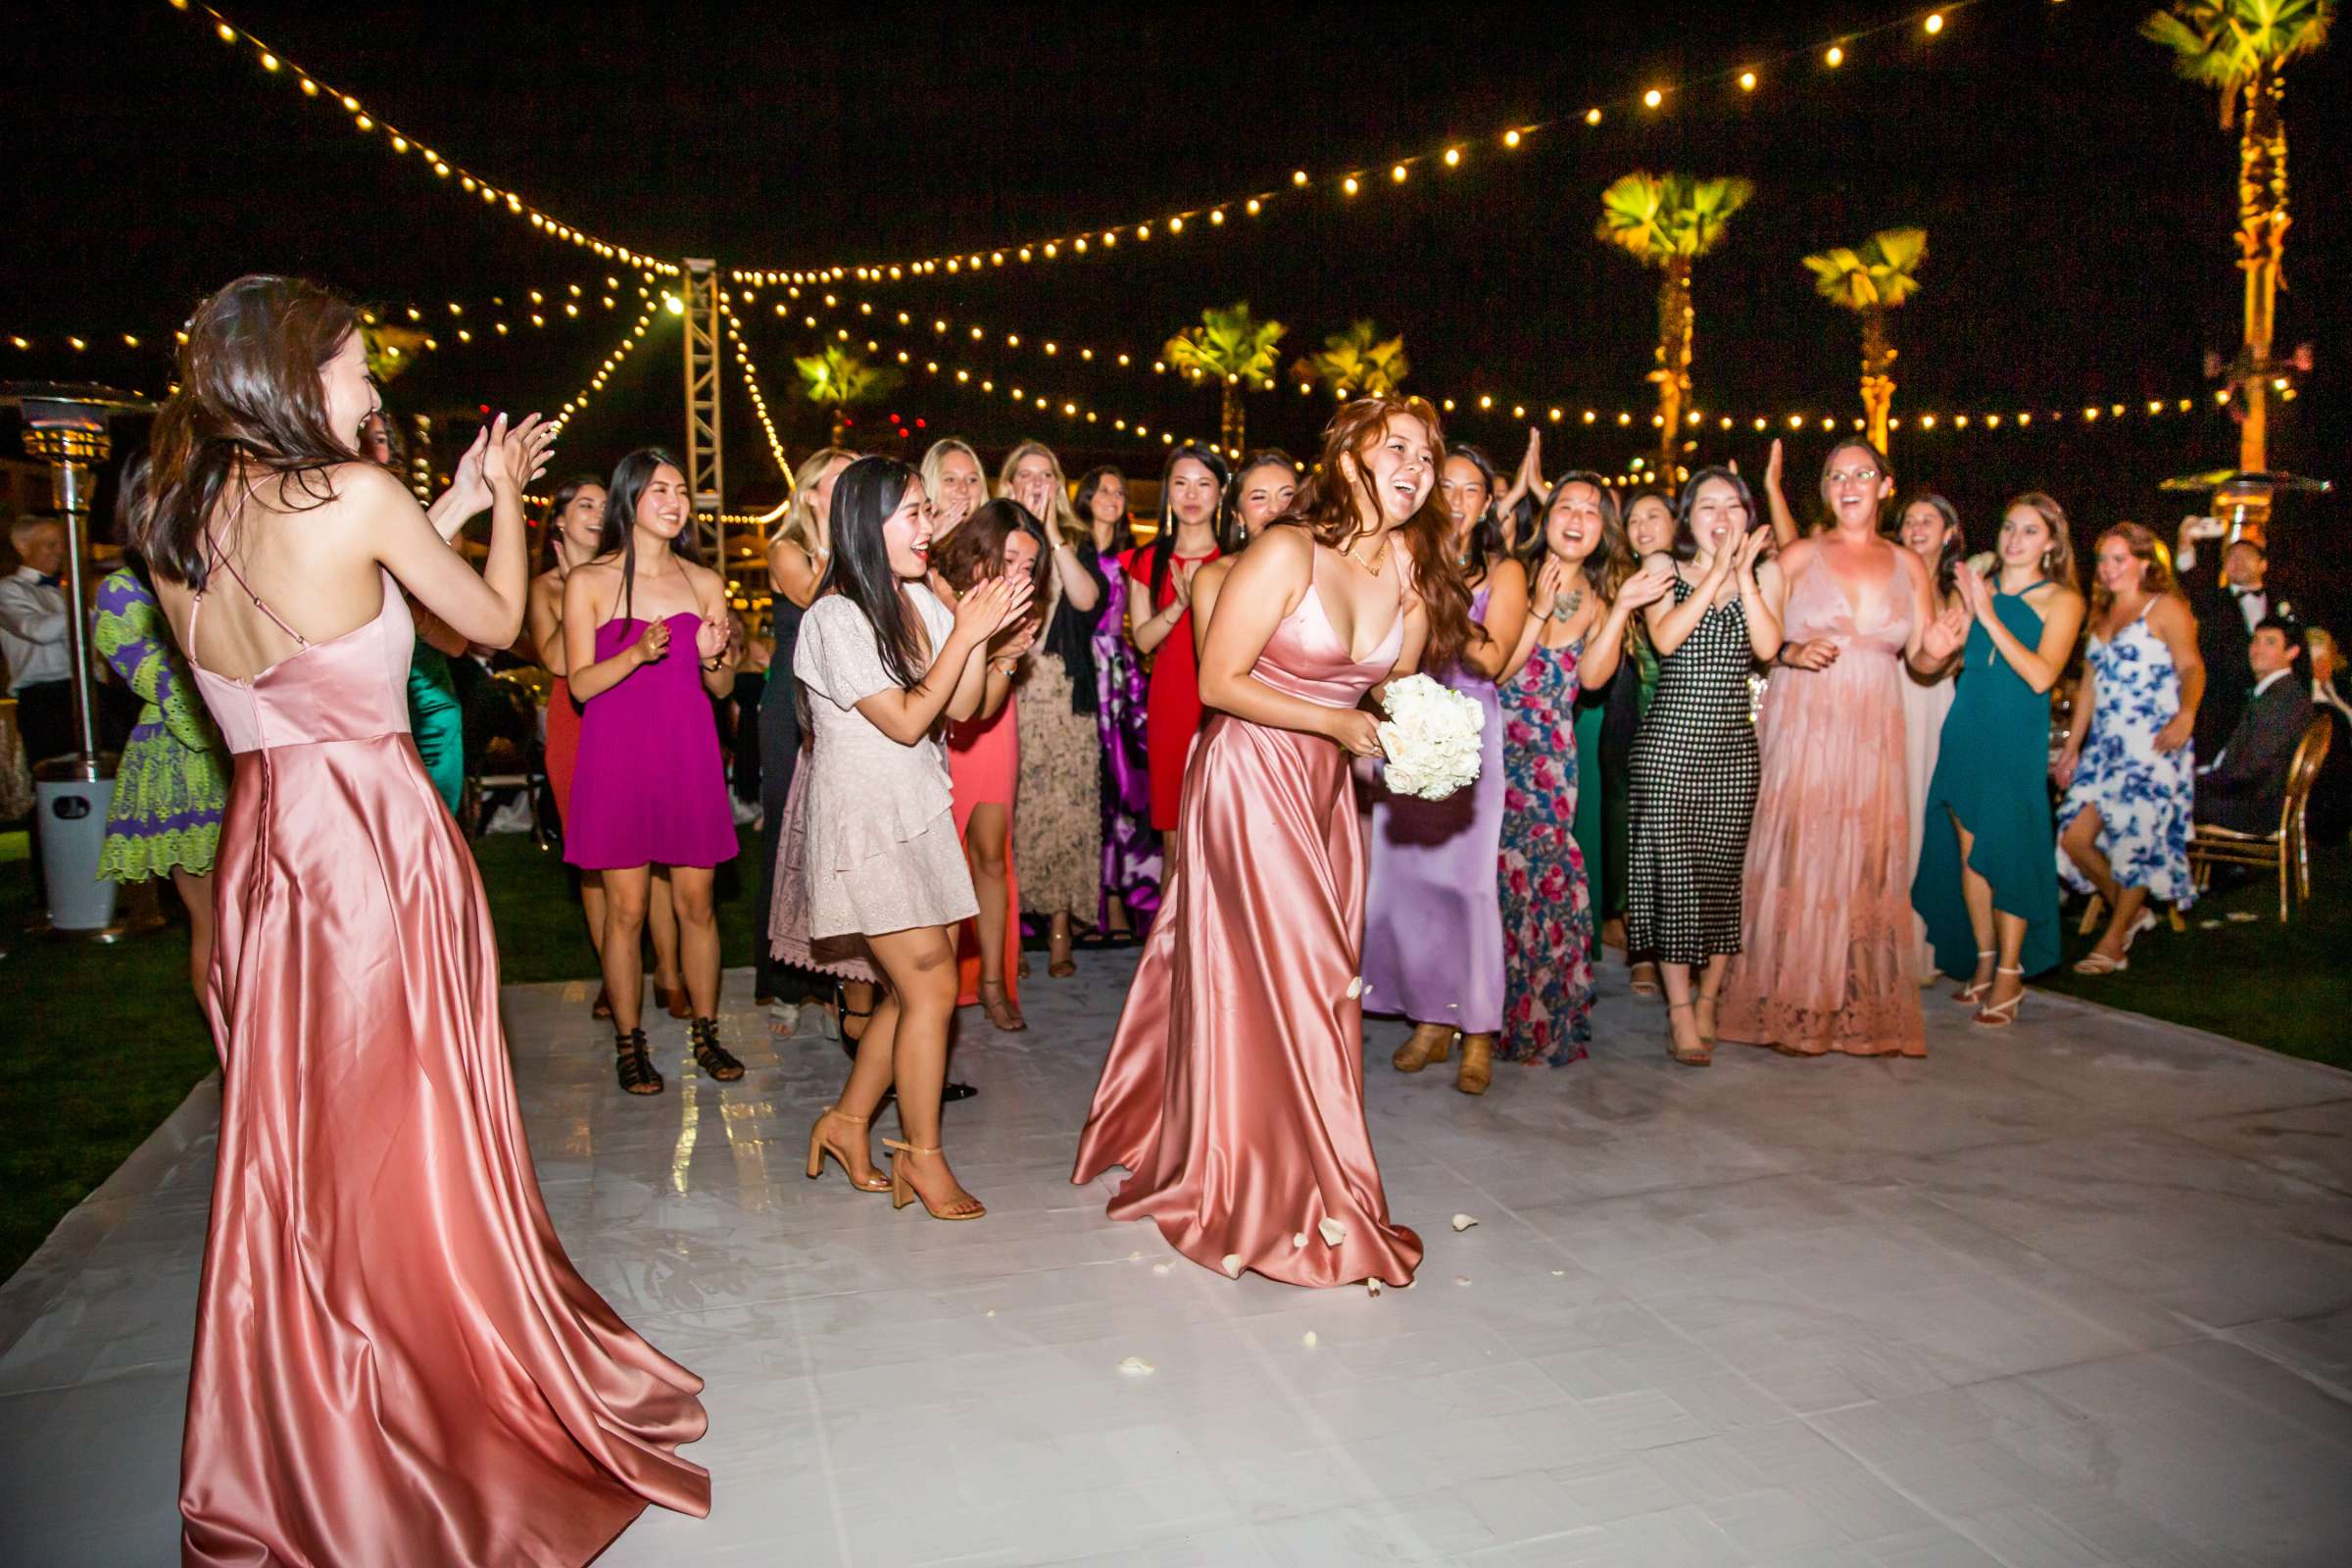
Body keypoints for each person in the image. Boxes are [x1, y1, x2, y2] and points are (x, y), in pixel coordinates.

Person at [144, 274, 707, 1564]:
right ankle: (438, 1394)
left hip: (265, 853)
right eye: (354, 370)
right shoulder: (355, 499)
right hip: (373, 852)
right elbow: (493, 624)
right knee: (413, 1126)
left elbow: (347, 599)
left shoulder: (185, 524)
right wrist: (505, 505)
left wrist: (444, 496)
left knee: (306, 1146)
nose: (373, 388)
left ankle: (316, 1408)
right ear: (293, 379)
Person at [1074, 396, 1468, 1290]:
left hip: (1328, 793)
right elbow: (1219, 680)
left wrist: (1416, 730)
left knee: (1321, 980)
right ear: (1352, 454)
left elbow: (1391, 686)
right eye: (1395, 445)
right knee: (1295, 976)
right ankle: (1284, 1187)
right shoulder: (1289, 548)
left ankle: (1285, 1160)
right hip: (1248, 776)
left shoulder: (1409, 565)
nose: (1414, 463)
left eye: (1426, 453)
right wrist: (1343, 722)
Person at [797, 455, 1031, 1220]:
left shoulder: (918, 604)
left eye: (930, 512)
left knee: (912, 989)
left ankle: (846, 1123)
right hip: (865, 819)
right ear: (868, 523)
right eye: (913, 513)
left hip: (919, 808)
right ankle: (922, 1158)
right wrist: (964, 632)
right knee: (931, 984)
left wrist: (980, 641)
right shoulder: (834, 616)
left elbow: (959, 710)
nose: (929, 528)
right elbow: (901, 720)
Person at [1715, 442, 1964, 1059]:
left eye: (1861, 474)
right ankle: (1790, 1001)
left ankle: (1849, 1006)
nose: (1848, 484)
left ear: (1885, 485)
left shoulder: (1909, 565)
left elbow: (1924, 662)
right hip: (1805, 722)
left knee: (1860, 861)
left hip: (1873, 732)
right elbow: (1757, 636)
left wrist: (1943, 643)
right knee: (1801, 854)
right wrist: (1792, 652)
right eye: (1835, 476)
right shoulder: (1800, 555)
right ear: (1824, 490)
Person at [563, 448, 745, 1092]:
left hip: (686, 754)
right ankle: (631, 1042)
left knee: (698, 905)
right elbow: (580, 686)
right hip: (617, 759)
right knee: (627, 910)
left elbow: (721, 690)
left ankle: (706, 1031)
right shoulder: (589, 582)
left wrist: (714, 656)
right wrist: (637, 652)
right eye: (659, 490)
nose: (675, 502)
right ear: (629, 500)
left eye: (681, 492)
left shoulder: (704, 582)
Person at [1492, 475, 1671, 1072]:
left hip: (1549, 755)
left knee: (1542, 880)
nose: (1576, 517)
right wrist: (1539, 609)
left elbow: (1591, 681)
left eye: (1591, 511)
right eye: (1565, 505)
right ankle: (1481, 1017)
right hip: (1493, 744)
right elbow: (1495, 671)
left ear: (1603, 532)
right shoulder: (1513, 573)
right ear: (1547, 519)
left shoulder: (1600, 597)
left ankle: (1541, 1019)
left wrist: (1619, 609)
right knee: (1492, 881)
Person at [1365, 445, 1527, 1093]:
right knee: (1405, 890)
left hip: (1472, 737)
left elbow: (1491, 657)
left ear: (1488, 503)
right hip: (1407, 726)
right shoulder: (1403, 557)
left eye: (1472, 490)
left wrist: (1439, 593)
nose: (1457, 499)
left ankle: (1479, 1032)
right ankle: (1432, 1021)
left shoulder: (1503, 571)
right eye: (1447, 487)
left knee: (1470, 892)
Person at [1625, 466, 1785, 1067]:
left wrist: (1740, 576)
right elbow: (1665, 640)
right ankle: (1680, 1012)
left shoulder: (1765, 573)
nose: (1720, 516)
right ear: (1688, 519)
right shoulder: (1664, 569)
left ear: (1746, 514)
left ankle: (1711, 995)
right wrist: (1713, 572)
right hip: (1668, 746)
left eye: (1731, 505)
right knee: (1675, 883)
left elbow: (1768, 649)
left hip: (1732, 752)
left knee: (1719, 880)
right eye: (1706, 506)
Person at [1913, 494, 2086, 1025]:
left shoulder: (2063, 600)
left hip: (2014, 733)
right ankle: (1985, 961)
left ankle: (2011, 972)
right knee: (1971, 856)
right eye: (2009, 527)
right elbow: (1931, 664)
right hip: (1967, 725)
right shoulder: (1975, 588)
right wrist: (1937, 642)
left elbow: (2040, 675)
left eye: (2030, 531)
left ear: (2051, 543)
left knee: (2006, 850)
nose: (2014, 539)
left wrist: (1988, 612)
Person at [530, 473, 667, 1022]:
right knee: (594, 862)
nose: (596, 512)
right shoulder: (546, 588)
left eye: (603, 504)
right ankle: (616, 978)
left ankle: (666, 970)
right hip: (575, 721)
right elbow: (558, 661)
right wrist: (574, 595)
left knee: (649, 853)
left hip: (629, 718)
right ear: (559, 521)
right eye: (582, 504)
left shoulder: (629, 576)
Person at [94, 464, 229, 995]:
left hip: (241, 750)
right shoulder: (122, 593)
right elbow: (166, 686)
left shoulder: (218, 571)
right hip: (182, 760)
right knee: (215, 922)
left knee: (261, 920)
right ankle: (236, 1054)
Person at [2056, 521, 2203, 974]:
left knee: (2140, 843)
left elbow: (2192, 668)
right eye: (2103, 559)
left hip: (2154, 746)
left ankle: (2114, 941)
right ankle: (2131, 909)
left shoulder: (2166, 609)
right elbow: (2090, 689)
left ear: (2144, 562)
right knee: (2074, 838)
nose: (2108, 568)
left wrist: (2186, 715)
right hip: (2106, 750)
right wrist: (2073, 746)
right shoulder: (2100, 617)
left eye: (2119, 558)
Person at [937, 498, 1046, 1030]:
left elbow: (985, 708)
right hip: (938, 733)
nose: (1019, 575)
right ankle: (938, 985)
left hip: (991, 728)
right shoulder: (936, 591)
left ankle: (993, 983)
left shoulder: (1018, 612)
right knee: (940, 862)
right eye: (1009, 560)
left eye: (1028, 567)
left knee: (990, 857)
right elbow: (957, 705)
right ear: (981, 548)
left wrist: (1005, 655)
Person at [1003, 441, 1107, 976]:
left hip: (1065, 701)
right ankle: (1010, 935)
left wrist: (1053, 537)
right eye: (1026, 475)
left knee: (1067, 814)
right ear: (1008, 484)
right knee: (1012, 814)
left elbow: (1088, 601)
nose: (1037, 484)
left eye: (1047, 474)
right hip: (1006, 696)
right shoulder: (994, 540)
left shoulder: (1077, 540)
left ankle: (1061, 931)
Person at [759, 447, 856, 1027]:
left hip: (842, 702)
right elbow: (815, 599)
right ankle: (790, 984)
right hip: (792, 709)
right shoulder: (785, 548)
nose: (848, 486)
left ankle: (836, 980)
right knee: (787, 838)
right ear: (812, 491)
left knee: (831, 842)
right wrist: (842, 540)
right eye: (837, 478)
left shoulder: (861, 547)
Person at [1126, 444, 1229, 850]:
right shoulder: (1147, 559)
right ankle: (1173, 916)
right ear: (1167, 491)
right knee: (1175, 844)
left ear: (1221, 493)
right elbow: (1143, 639)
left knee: (1219, 836)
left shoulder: (1237, 560)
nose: (1191, 494)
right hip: (1169, 702)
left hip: (1223, 705)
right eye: (1181, 484)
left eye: (1204, 484)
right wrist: (1182, 603)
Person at [1078, 464, 1159, 943]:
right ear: (1086, 495)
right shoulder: (1073, 549)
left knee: (1123, 790)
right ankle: (1085, 905)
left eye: (1119, 490)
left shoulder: (1135, 556)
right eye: (1103, 488)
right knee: (1085, 788)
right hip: (1079, 669)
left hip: (1119, 673)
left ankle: (1118, 900)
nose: (1112, 496)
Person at [1602, 487, 1678, 998]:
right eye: (1635, 520)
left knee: (1682, 840)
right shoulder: (1615, 580)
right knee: (1635, 833)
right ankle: (1642, 952)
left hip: (1689, 716)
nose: (1644, 526)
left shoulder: (1696, 576)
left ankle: (1682, 946)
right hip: (1633, 715)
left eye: (1656, 516)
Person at [1894, 490, 1966, 976]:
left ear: (1949, 533)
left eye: (1929, 520)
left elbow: (1960, 653)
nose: (1917, 528)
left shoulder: (1958, 588)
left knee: (1923, 818)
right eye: (1910, 520)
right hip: (1888, 696)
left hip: (1934, 702)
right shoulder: (1887, 571)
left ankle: (1919, 946)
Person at [2175, 517, 2282, 761]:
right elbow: (2189, 578)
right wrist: (2185, 543)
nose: (2237, 562)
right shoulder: (2214, 600)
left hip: (2271, 708)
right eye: (2231, 557)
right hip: (2221, 709)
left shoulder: (2282, 605)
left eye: (2245, 556)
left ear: (2263, 564)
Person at [2194, 613, 2310, 834]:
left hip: (2256, 811)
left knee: (2161, 797)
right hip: (2254, 802)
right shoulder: (2280, 693)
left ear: (2292, 652)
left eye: (2270, 642)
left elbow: (2249, 771)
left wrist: (2194, 781)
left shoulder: (2281, 700)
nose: (2258, 649)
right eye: (2255, 641)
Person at [1188, 449, 1299, 637]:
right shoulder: (1215, 578)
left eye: (1287, 495)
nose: (1276, 508)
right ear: (1239, 516)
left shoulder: (1322, 568)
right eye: (1259, 497)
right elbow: (1214, 664)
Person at [0, 514, 72, 767]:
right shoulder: (10, 589)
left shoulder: (64, 592)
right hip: (43, 698)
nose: (60, 551)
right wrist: (83, 612)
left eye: (62, 544)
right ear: (22, 546)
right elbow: (37, 631)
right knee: (56, 776)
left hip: (84, 692)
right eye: (50, 544)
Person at [920, 436, 990, 548]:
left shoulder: (994, 544)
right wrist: (928, 542)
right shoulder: (909, 541)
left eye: (972, 479)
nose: (963, 488)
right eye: (950, 480)